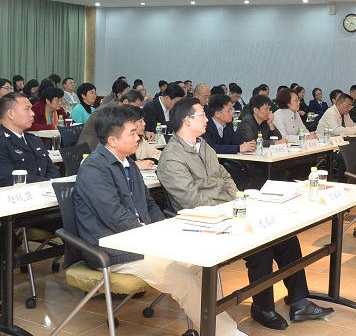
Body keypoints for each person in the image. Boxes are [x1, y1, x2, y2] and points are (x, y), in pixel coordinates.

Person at [157, 98, 334, 330]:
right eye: (202, 115)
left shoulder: (202, 145)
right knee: (261, 248)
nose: (207, 119)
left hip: (228, 211)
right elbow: (191, 200)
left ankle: (299, 301)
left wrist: (237, 201)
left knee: (285, 238)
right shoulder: (172, 156)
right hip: (204, 221)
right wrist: (228, 209)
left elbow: (224, 175)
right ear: (187, 120)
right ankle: (262, 307)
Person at [73, 104, 247, 336]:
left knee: (205, 262)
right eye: (132, 133)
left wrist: (162, 232)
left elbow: (150, 204)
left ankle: (211, 328)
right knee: (180, 276)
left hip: (142, 242)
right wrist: (155, 239)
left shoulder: (127, 163)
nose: (139, 137)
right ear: (113, 140)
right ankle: (226, 333)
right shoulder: (94, 169)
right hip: (112, 250)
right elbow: (115, 217)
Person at [0, 93, 60, 186]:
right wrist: (46, 182)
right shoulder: (2, 142)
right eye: (27, 109)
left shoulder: (34, 139)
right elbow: (7, 178)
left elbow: (51, 169)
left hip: (45, 190)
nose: (32, 113)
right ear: (11, 114)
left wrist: (51, 183)